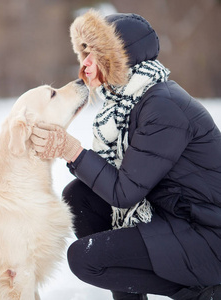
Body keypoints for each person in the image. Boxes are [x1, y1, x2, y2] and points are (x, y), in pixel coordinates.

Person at [30, 9, 221, 300]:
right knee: (80, 198)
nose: (86, 64)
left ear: (121, 57)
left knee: (86, 258)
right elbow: (114, 181)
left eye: (95, 54)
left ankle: (202, 291)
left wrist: (70, 149)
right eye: (84, 53)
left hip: (209, 236)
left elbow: (124, 193)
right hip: (174, 215)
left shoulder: (163, 107)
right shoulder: (127, 102)